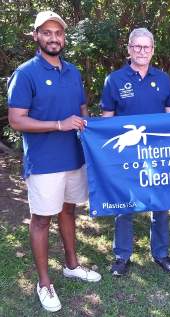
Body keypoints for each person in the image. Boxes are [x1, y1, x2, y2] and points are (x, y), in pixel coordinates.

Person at [7, 11, 101, 312]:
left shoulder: (73, 72)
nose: (53, 38)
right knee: (42, 219)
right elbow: (16, 120)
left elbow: (82, 108)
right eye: (46, 33)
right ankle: (44, 283)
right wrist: (59, 124)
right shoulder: (25, 73)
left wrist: (92, 131)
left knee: (68, 211)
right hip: (45, 162)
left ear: (64, 37)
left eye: (58, 33)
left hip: (74, 158)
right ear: (35, 36)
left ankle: (72, 264)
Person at [100, 27, 170, 276]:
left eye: (146, 47)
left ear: (153, 50)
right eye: (137, 46)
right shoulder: (114, 80)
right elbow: (107, 120)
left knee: (160, 204)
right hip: (127, 156)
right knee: (125, 205)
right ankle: (122, 256)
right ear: (129, 49)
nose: (142, 51)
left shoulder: (163, 79)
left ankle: (161, 253)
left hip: (157, 154)